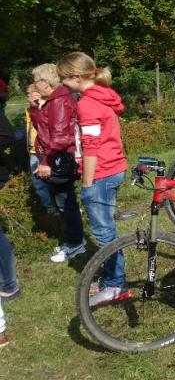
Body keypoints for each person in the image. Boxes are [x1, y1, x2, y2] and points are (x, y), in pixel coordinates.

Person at [57, 52, 130, 306]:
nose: (62, 84)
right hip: (114, 167)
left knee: (104, 232)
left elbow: (91, 147)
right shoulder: (103, 95)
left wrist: (87, 183)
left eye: (64, 79)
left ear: (77, 77)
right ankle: (112, 277)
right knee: (107, 227)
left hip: (101, 173)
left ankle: (116, 285)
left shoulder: (87, 104)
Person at [31, 63, 84, 263]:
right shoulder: (53, 100)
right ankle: (74, 240)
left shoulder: (59, 101)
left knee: (66, 203)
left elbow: (61, 137)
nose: (35, 85)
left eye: (37, 81)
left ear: (46, 82)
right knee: (63, 201)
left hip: (58, 157)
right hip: (55, 156)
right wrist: (34, 107)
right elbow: (42, 127)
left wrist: (46, 161)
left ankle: (76, 243)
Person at [25, 83, 54, 213]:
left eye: (30, 95)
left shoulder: (45, 109)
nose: (28, 97)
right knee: (38, 183)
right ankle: (49, 207)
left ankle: (59, 207)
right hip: (33, 152)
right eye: (28, 95)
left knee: (52, 179)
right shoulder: (28, 111)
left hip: (45, 151)